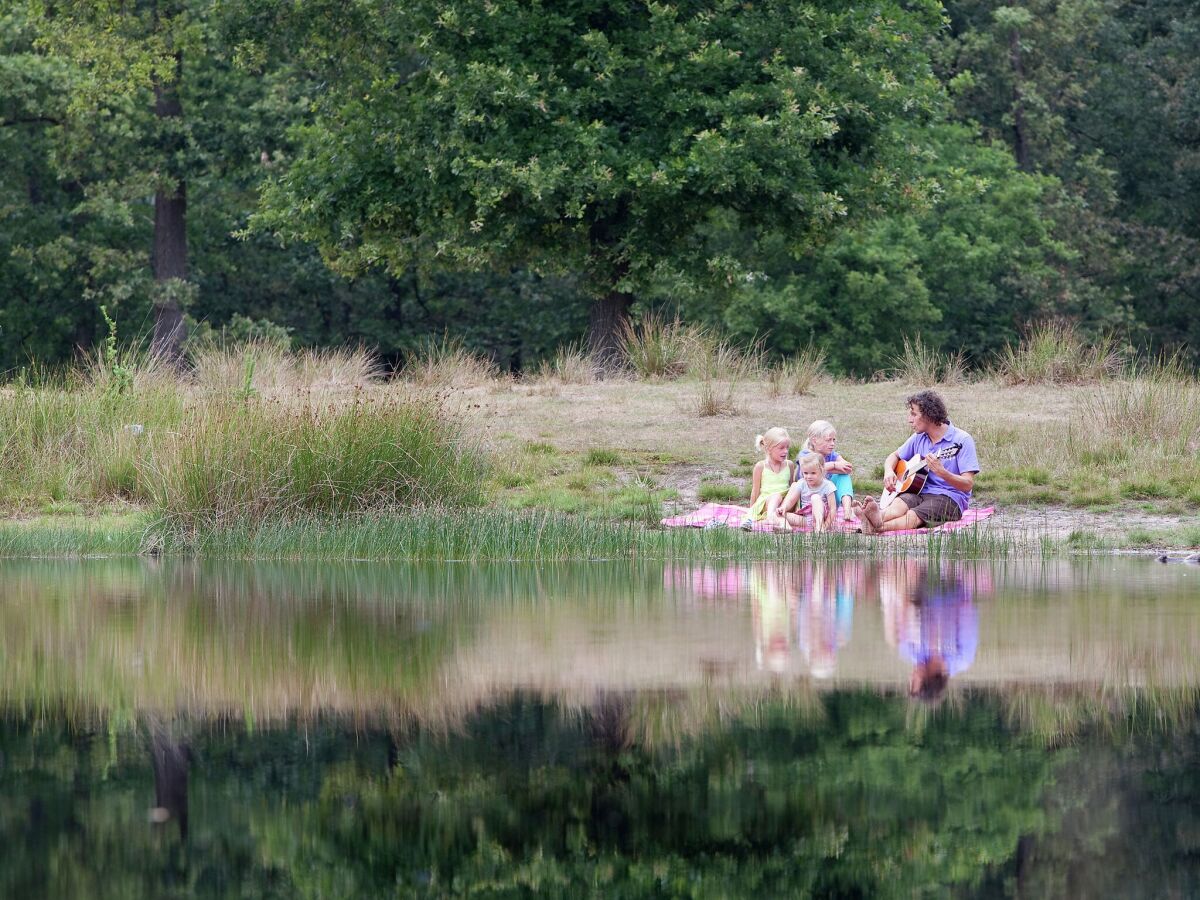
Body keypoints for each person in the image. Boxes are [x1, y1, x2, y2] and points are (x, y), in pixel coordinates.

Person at [856, 390, 979, 534]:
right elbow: (893, 456)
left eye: (914, 414)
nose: (909, 419)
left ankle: (877, 526)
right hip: (920, 492)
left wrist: (942, 473)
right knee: (899, 505)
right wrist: (889, 472)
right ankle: (875, 516)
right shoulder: (918, 438)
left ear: (928, 415)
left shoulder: (962, 440)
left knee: (914, 514)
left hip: (950, 498)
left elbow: (968, 484)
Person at [802, 419, 855, 521]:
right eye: (828, 440)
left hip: (829, 497)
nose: (832, 444)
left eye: (833, 440)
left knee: (843, 476)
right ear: (814, 440)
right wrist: (834, 465)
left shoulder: (831, 454)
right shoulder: (805, 455)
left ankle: (847, 510)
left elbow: (847, 468)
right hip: (810, 497)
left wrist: (836, 467)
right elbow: (812, 469)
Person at [744, 427, 794, 530]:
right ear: (768, 448)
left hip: (784, 505)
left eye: (787, 447)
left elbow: (791, 487)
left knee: (795, 486)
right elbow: (755, 491)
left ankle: (785, 527)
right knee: (776, 496)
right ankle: (771, 517)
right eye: (781, 448)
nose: (785, 451)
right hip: (767, 503)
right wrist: (751, 511)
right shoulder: (760, 466)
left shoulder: (789, 465)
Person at [779, 451, 837, 532]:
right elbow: (791, 501)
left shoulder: (828, 485)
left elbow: (832, 509)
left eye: (813, 473)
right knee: (780, 515)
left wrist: (826, 525)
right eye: (805, 473)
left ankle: (819, 528)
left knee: (815, 497)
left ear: (822, 471)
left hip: (821, 516)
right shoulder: (801, 483)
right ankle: (786, 527)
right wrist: (784, 508)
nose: (809, 476)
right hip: (806, 519)